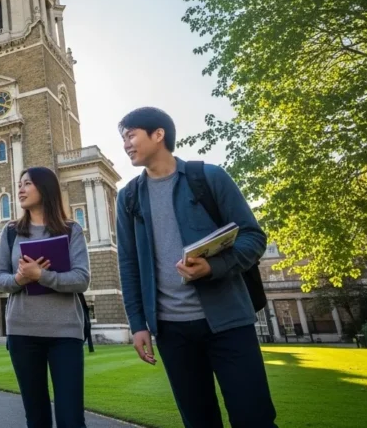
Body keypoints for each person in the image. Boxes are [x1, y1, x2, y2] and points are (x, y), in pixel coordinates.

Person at [115, 107, 277, 428]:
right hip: (172, 332)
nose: (126, 144)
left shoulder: (209, 178)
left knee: (254, 419)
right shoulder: (128, 197)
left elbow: (253, 238)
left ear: (158, 134)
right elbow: (128, 265)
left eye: (131, 135)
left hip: (229, 322)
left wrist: (213, 267)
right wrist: (138, 324)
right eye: (123, 138)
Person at [0, 166, 90, 428]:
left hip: (65, 334)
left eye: (27, 184)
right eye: (20, 184)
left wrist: (41, 275)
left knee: (71, 420)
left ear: (45, 188)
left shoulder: (71, 230)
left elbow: (82, 279)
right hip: (23, 334)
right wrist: (19, 279)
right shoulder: (11, 232)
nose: (20, 189)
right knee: (36, 418)